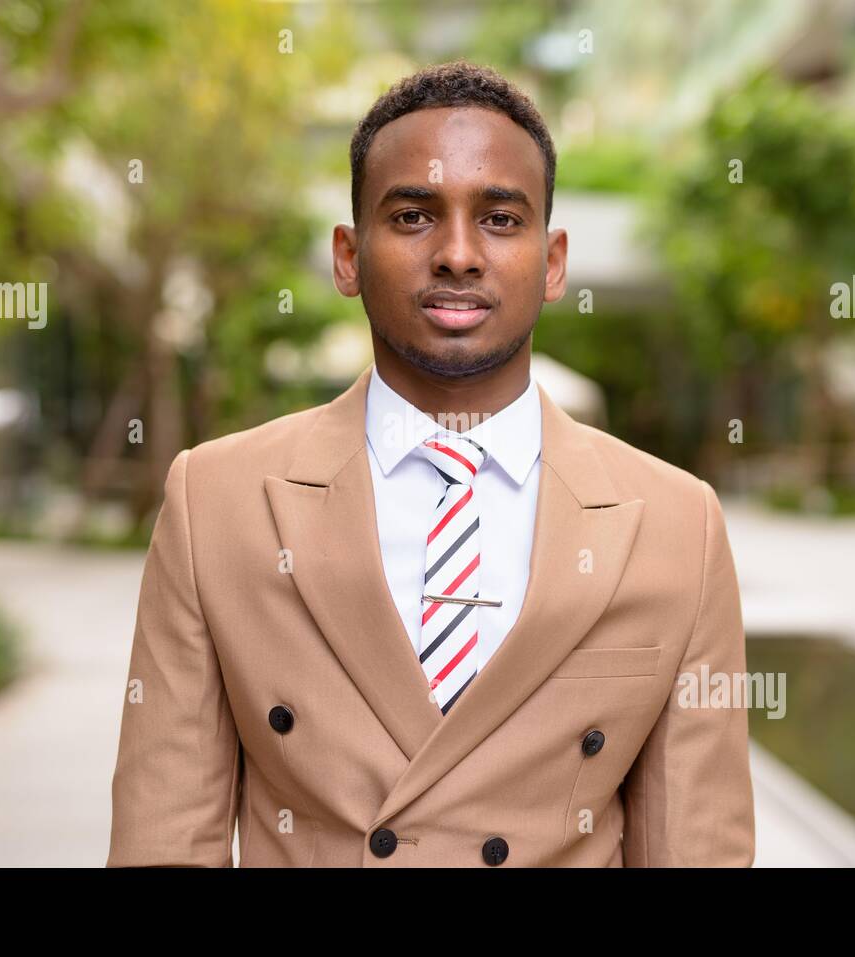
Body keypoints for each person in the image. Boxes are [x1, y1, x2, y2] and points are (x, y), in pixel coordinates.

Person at [107, 59, 754, 867]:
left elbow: (696, 850)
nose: (457, 254)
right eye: (413, 217)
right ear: (348, 255)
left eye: (500, 219)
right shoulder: (216, 500)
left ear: (553, 263)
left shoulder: (676, 525)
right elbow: (164, 843)